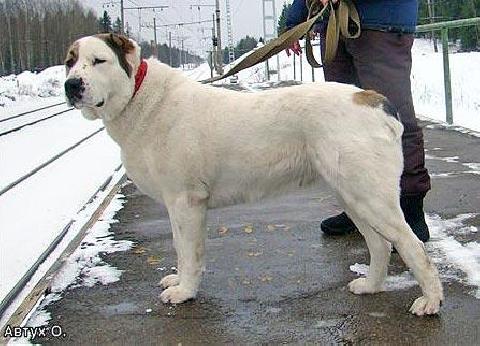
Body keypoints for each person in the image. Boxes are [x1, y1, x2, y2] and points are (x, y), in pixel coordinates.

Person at [285, 0, 431, 242]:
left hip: (381, 22)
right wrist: (294, 20)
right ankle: (358, 209)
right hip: (335, 24)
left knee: (393, 119)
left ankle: (410, 209)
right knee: (344, 126)